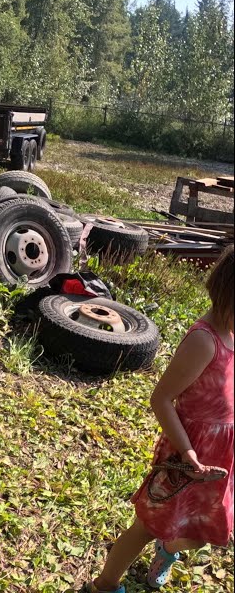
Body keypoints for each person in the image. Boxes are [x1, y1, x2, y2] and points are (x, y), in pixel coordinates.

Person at [87, 245, 234, 592]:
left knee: (201, 533)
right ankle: (104, 584)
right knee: (147, 527)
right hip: (186, 459)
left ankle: (167, 551)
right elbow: (162, 398)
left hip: (220, 460)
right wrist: (186, 452)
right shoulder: (204, 341)